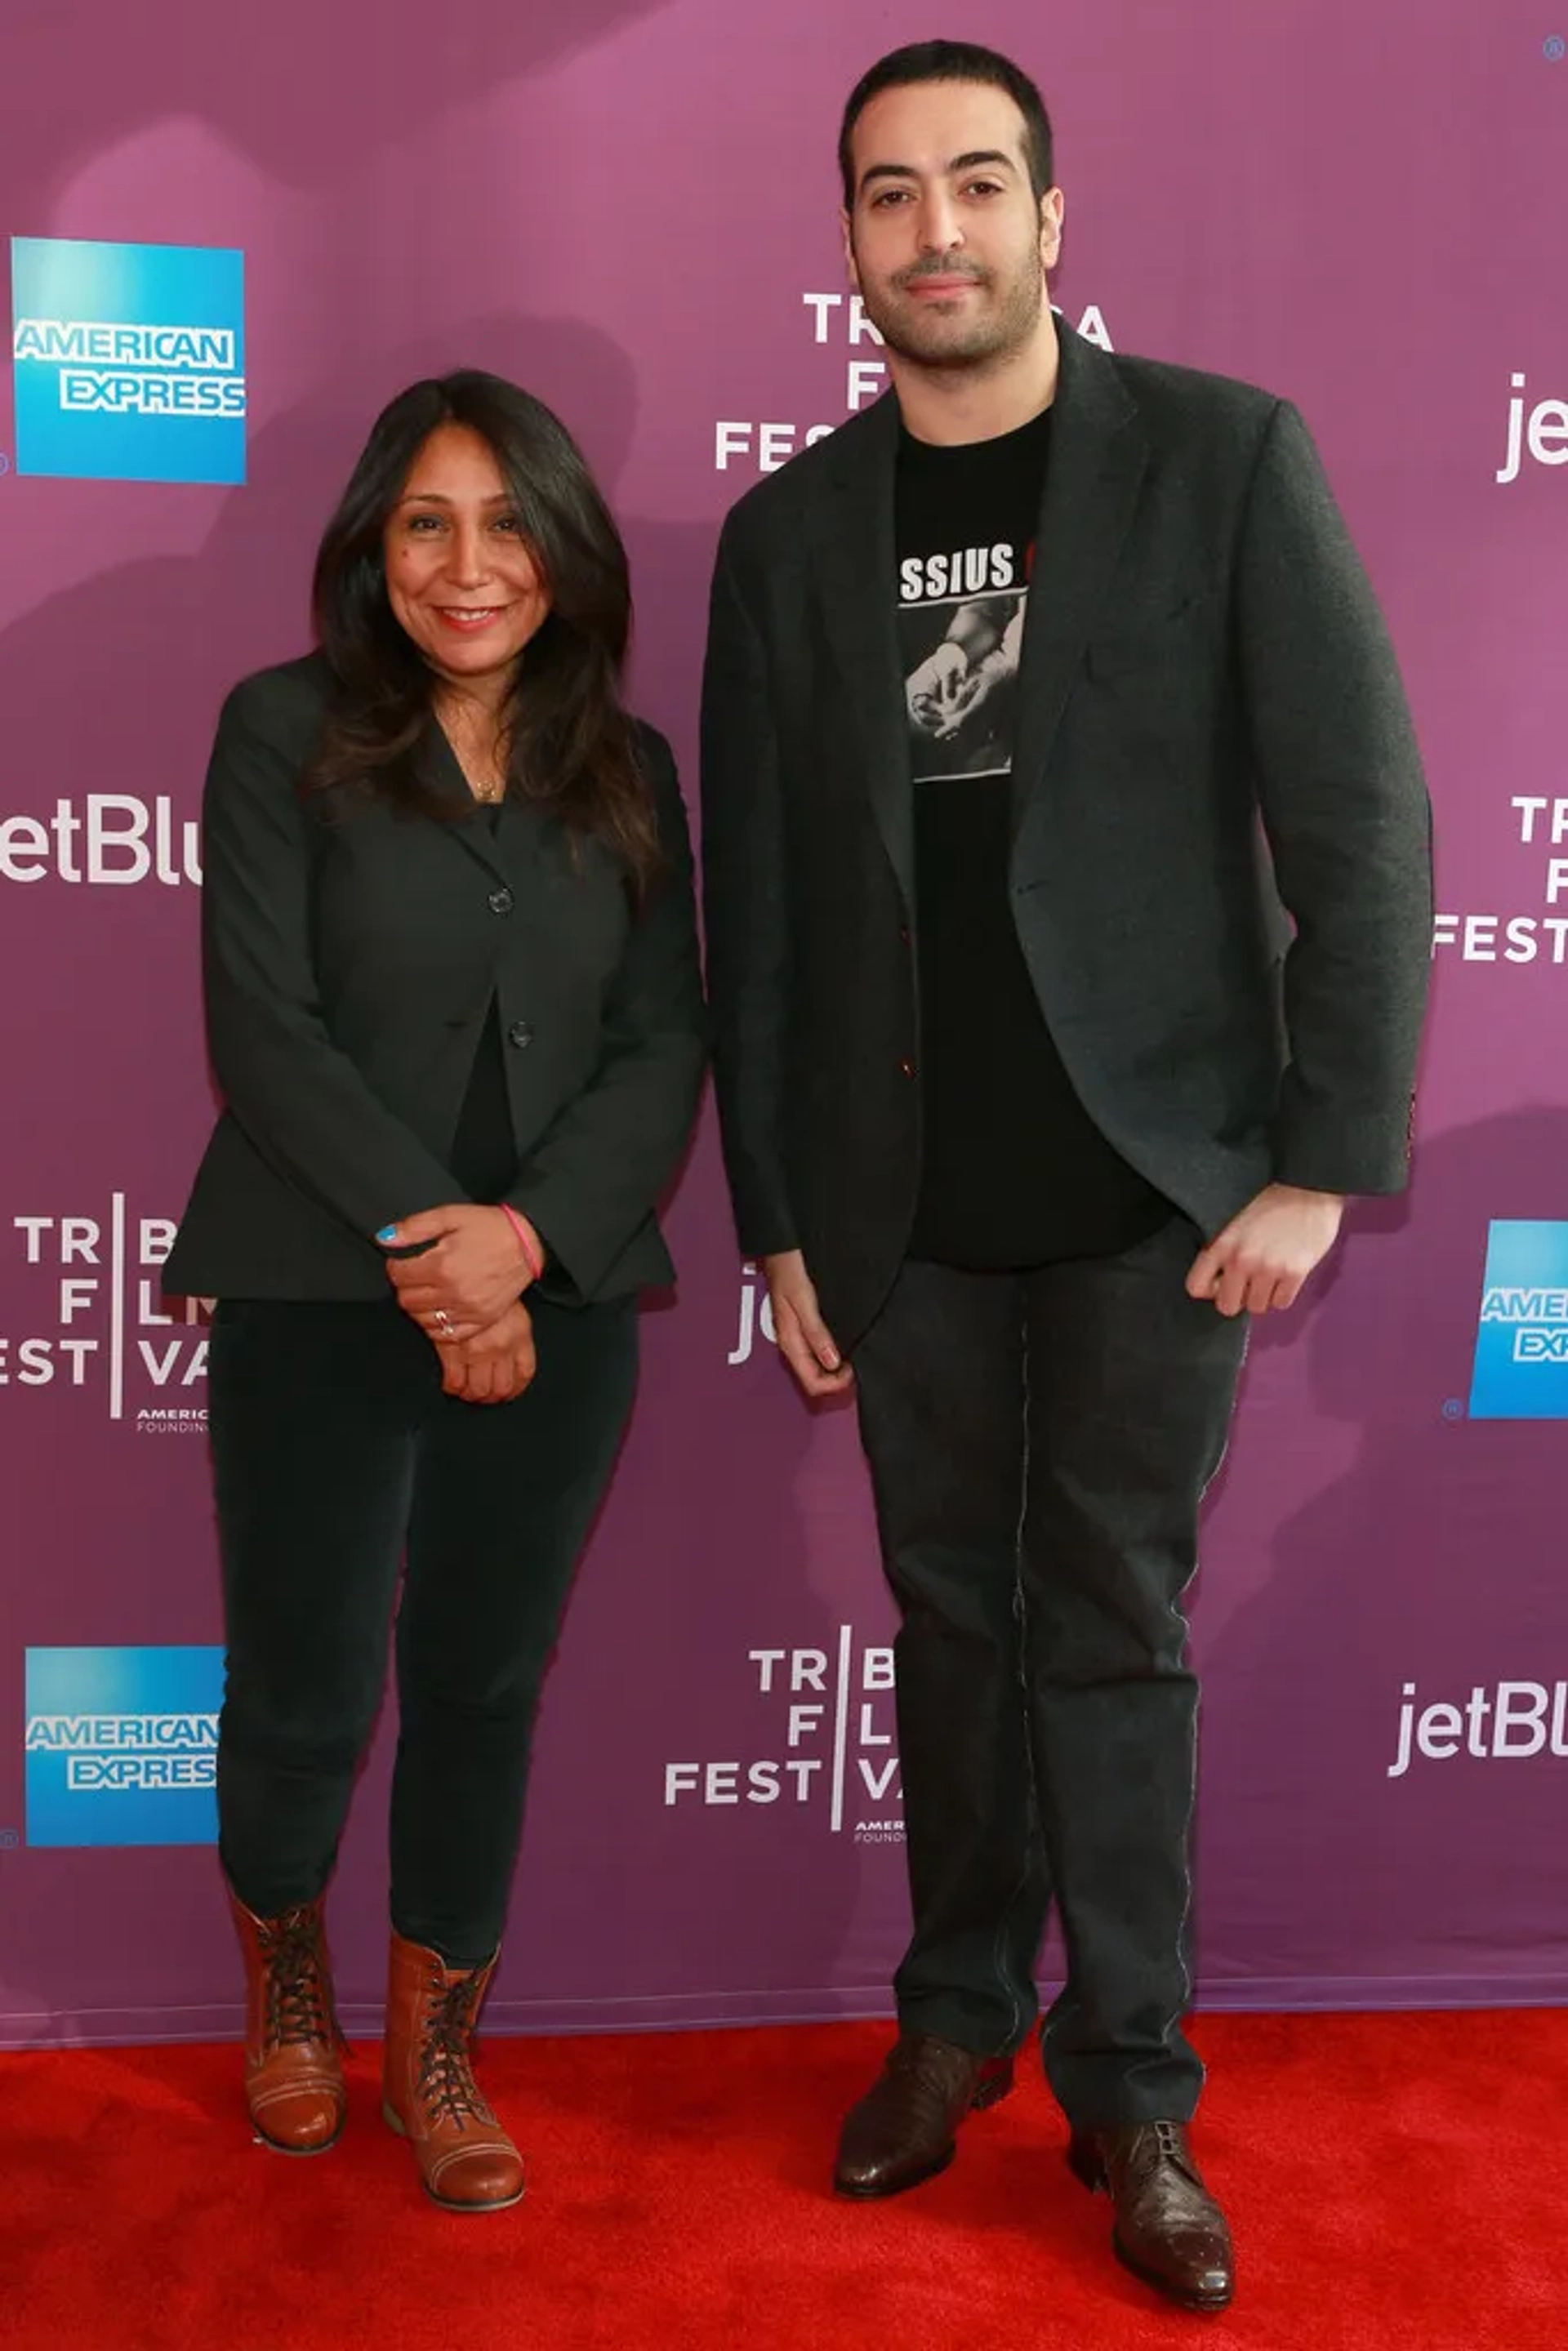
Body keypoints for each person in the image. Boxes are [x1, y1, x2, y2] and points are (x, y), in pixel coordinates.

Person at [699, 38, 1431, 2313]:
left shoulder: (1219, 461)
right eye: (890, 193)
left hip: (1155, 1190)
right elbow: (768, 910)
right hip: (900, 1204)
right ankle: (949, 2027)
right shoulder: (788, 536)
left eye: (978, 184)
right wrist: (782, 1212)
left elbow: (1363, 824)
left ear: (1049, 218)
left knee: (1107, 1624)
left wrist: (1325, 1154)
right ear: (845, 243)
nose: (937, 231)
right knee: (950, 1621)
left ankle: (1133, 2085)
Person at [166, 371, 706, 2211]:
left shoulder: (626, 773)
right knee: (308, 1683)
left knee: (480, 1681)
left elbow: (658, 1047)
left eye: (506, 522)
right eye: (426, 521)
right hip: (317, 1285)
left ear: (566, 549)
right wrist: (438, 1243)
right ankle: (293, 1986)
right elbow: (267, 1032)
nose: (468, 565)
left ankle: (441, 2043)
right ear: (370, 546)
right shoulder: (280, 731)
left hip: (555, 1298)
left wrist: (524, 1247)